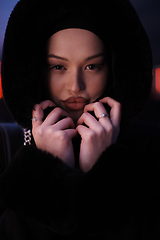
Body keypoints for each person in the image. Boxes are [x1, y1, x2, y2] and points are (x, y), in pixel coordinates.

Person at [0, 0, 159, 239]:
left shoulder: (153, 148)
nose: (75, 86)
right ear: (34, 70)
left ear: (114, 70)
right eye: (57, 67)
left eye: (92, 66)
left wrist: (103, 171)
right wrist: (47, 169)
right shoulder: (3, 146)